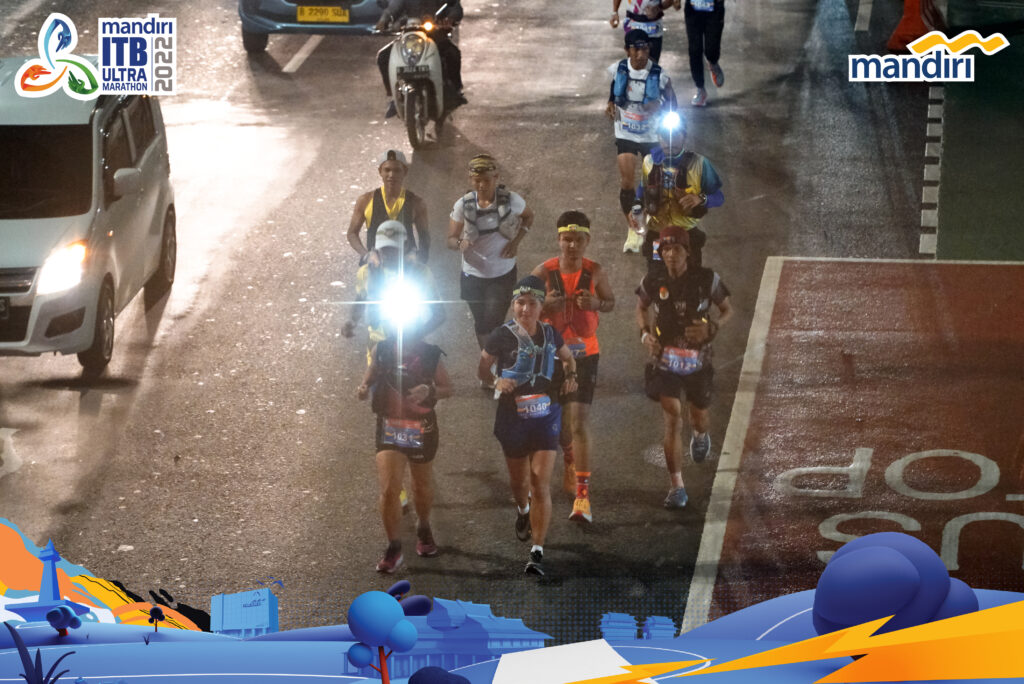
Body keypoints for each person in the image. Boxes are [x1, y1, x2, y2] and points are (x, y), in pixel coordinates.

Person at [478, 276, 578, 576]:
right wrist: (497, 381)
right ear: (513, 305)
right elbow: (482, 370)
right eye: (520, 303)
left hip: (546, 416)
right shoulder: (501, 336)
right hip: (513, 419)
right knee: (520, 484)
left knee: (539, 482)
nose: (525, 309)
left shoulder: (551, 334)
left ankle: (537, 550)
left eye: (532, 303)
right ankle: (523, 510)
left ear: (541, 307)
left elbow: (569, 359)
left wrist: (571, 376)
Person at [635, 225, 732, 508]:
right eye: (665, 249)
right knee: (673, 416)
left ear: (688, 252)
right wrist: (645, 335)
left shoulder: (707, 279)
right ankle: (677, 486)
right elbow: (640, 307)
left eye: (676, 249)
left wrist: (712, 327)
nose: (670, 255)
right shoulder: (653, 280)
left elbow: (728, 309)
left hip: (698, 360)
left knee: (698, 416)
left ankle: (700, 435)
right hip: (665, 360)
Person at [529, 212, 615, 524]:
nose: (572, 245)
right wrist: (542, 307)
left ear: (587, 241)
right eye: (567, 239)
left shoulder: (595, 271)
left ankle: (582, 496)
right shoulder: (542, 272)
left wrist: (596, 304)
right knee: (552, 425)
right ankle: (567, 459)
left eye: (578, 240)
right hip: (550, 357)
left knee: (578, 422)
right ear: (558, 240)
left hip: (584, 356)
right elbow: (521, 312)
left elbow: (610, 302)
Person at [357, 320, 452, 573]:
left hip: (422, 428)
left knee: (421, 485)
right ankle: (394, 546)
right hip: (390, 426)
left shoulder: (430, 354)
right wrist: (364, 387)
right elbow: (372, 373)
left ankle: (424, 525)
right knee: (390, 488)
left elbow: (448, 388)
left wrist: (429, 390)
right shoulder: (381, 349)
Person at [448, 154, 535, 355]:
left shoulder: (512, 201)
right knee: (481, 323)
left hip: (501, 274)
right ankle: (489, 361)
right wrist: (460, 243)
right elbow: (450, 239)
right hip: (472, 275)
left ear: (496, 177)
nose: (481, 185)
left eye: (486, 180)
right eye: (477, 180)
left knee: (493, 321)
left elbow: (529, 217)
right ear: (470, 179)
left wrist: (516, 241)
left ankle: (494, 358)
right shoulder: (463, 205)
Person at [605, 28, 676, 255]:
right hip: (625, 132)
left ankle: (655, 233)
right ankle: (634, 228)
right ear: (627, 50)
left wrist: (662, 108)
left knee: (653, 186)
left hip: (650, 135)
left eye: (645, 48)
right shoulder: (618, 69)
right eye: (636, 49)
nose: (641, 54)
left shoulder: (660, 75)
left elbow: (672, 103)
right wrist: (610, 103)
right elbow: (614, 89)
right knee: (627, 182)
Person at [342, 221, 445, 364]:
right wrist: (352, 321)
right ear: (376, 249)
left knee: (436, 375)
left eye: (394, 249)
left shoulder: (421, 273)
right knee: (371, 378)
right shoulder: (366, 272)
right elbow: (360, 299)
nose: (388, 254)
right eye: (384, 249)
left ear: (406, 246)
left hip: (411, 347)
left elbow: (440, 314)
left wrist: (416, 336)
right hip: (377, 347)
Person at [638, 110, 723, 273]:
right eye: (665, 136)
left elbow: (718, 197)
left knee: (691, 279)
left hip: (687, 236)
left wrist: (701, 199)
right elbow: (642, 189)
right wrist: (636, 206)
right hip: (658, 235)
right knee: (656, 278)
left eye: (675, 135)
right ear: (658, 137)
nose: (670, 141)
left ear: (684, 136)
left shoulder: (700, 164)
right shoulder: (649, 162)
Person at [376, 0, 466, 117]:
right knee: (383, 57)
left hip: (435, 34)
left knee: (453, 54)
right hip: (409, 36)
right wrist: (384, 19)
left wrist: (450, 18)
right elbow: (394, 7)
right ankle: (394, 95)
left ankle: (455, 91)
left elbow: (455, 8)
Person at [347, 150, 430, 266]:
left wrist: (419, 258)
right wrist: (366, 255)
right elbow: (352, 233)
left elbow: (424, 236)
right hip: (376, 265)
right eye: (387, 170)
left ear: (405, 172)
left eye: (397, 170)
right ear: (380, 171)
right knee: (362, 277)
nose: (391, 175)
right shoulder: (365, 201)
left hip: (406, 265)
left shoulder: (416, 203)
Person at [610, 0, 682, 64]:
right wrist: (614, 12)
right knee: (635, 63)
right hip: (633, 24)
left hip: (654, 27)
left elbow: (674, 2)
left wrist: (658, 8)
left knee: (653, 64)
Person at [682, 0, 725, 107]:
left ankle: (713, 62)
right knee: (694, 50)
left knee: (712, 48)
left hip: (714, 8)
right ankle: (700, 88)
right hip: (693, 9)